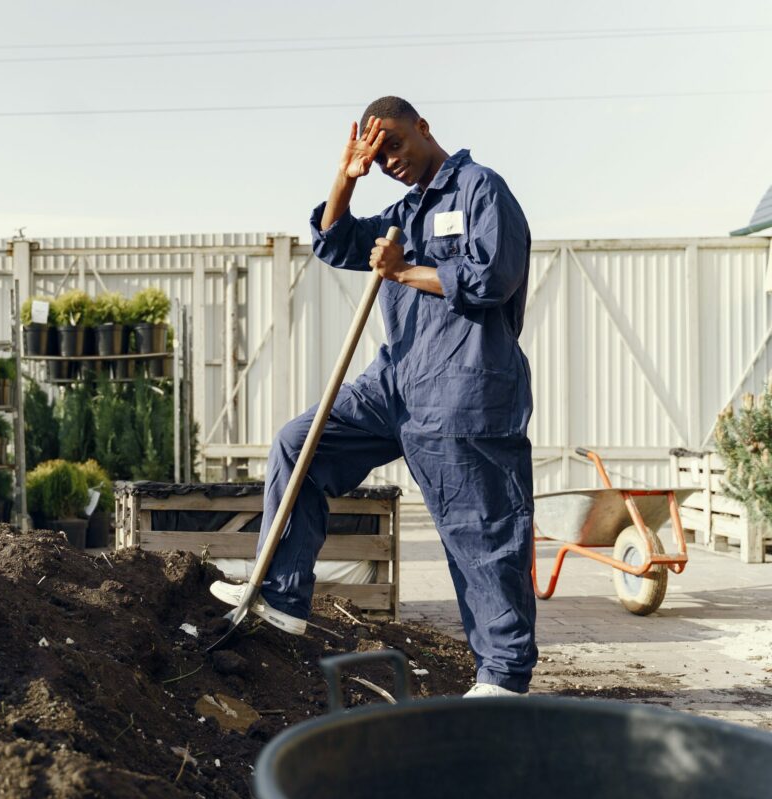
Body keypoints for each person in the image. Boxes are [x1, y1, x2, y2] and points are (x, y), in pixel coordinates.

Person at [211, 96, 537, 697]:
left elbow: (495, 278)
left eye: (394, 144)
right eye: (377, 154)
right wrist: (346, 177)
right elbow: (335, 243)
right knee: (300, 444)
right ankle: (282, 596)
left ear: (423, 127)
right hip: (395, 383)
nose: (389, 160)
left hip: (465, 384)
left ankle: (502, 678)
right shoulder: (404, 212)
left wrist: (404, 270)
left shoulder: (480, 189)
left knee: (481, 531)